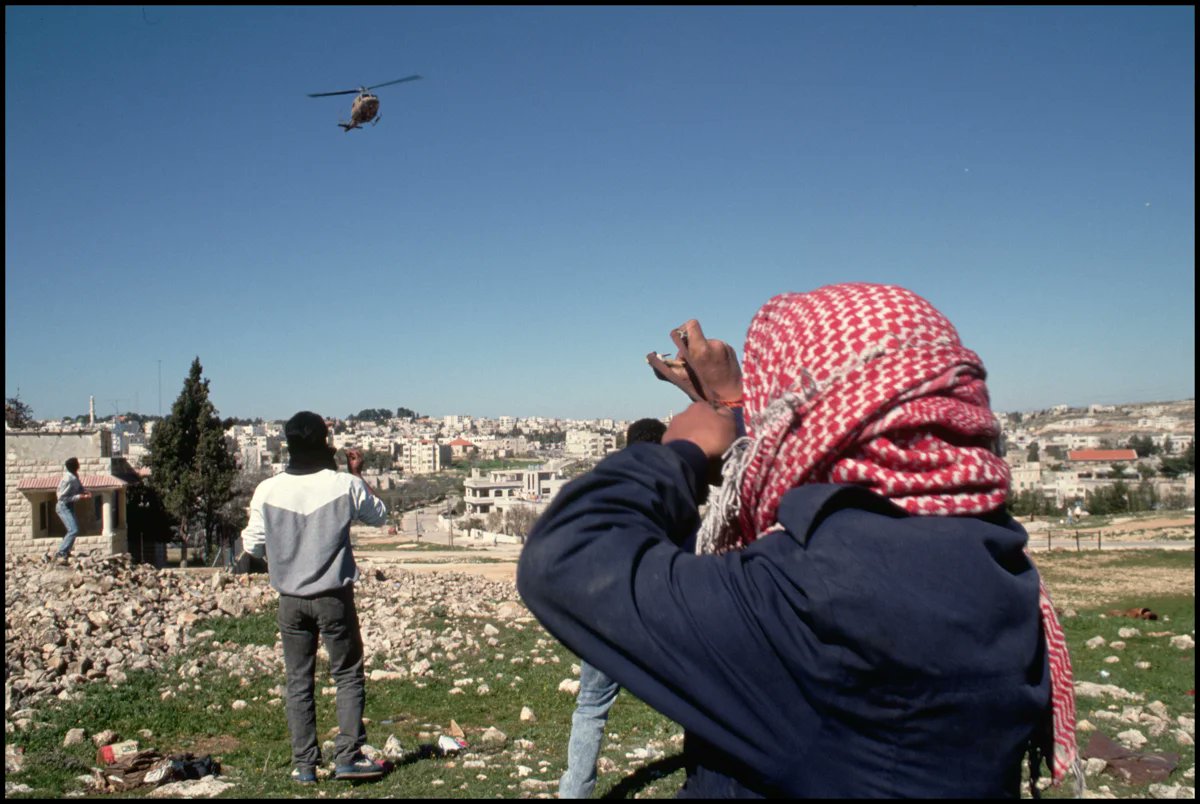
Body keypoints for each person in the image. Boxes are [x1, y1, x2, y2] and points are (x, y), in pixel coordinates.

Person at [518, 283, 1081, 797]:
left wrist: (681, 451)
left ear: (819, 416)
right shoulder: (988, 554)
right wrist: (737, 406)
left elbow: (566, 556)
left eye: (777, 399)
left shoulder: (824, 597)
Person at [240, 411, 388, 785]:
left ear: (287, 444)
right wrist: (353, 472)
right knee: (348, 675)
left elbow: (253, 545)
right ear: (325, 443)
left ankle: (304, 764)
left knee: (298, 681)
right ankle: (347, 757)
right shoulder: (342, 485)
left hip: (290, 597)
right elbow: (378, 516)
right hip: (333, 596)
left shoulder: (268, 490)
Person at [559, 417, 668, 799]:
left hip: (603, 611)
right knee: (697, 701)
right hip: (652, 610)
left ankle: (575, 792)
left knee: (590, 706)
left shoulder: (598, 485)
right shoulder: (668, 487)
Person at [54, 457, 92, 562]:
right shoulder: (69, 479)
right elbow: (62, 497)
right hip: (63, 506)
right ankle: (61, 552)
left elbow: (78, 488)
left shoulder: (74, 476)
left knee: (74, 529)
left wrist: (84, 491)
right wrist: (80, 497)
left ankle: (66, 551)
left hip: (69, 506)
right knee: (73, 530)